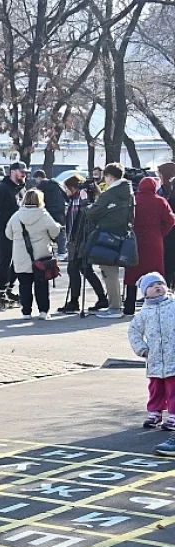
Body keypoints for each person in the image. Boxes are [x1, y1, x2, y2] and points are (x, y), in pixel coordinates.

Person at [84, 162, 135, 319]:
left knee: (109, 272)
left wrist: (87, 206)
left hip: (107, 236)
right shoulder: (129, 192)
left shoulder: (110, 194)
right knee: (113, 272)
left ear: (110, 177)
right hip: (123, 235)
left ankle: (114, 307)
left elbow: (93, 213)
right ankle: (116, 305)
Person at [129, 274, 175, 438]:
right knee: (155, 388)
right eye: (152, 286)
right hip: (155, 359)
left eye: (160, 284)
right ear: (145, 293)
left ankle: (173, 415)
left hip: (173, 358)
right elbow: (133, 331)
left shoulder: (173, 305)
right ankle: (155, 412)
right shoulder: (144, 313)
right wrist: (142, 349)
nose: (157, 287)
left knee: (173, 388)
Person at [7, 188, 62, 320]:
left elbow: (8, 235)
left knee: (24, 285)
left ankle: (26, 312)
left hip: (21, 257)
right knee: (42, 285)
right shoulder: (44, 215)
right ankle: (43, 311)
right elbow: (55, 232)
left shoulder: (16, 216)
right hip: (41, 258)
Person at [58, 175, 107, 314]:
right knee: (82, 269)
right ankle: (100, 297)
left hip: (82, 239)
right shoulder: (73, 199)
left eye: (67, 188)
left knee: (77, 268)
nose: (66, 191)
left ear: (73, 188)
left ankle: (75, 301)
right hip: (74, 239)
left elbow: (88, 216)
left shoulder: (82, 199)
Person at [128, 177, 175, 317]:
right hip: (154, 239)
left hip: (135, 239)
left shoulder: (134, 200)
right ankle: (160, 305)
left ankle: (129, 306)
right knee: (155, 273)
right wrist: (161, 233)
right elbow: (171, 220)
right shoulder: (160, 201)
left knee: (132, 273)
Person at [0, 161, 27, 310]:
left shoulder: (22, 189)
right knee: (5, 260)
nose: (24, 174)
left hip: (20, 232)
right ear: (13, 172)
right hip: (4, 231)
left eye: (25, 172)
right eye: (21, 171)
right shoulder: (2, 189)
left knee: (18, 261)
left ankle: (10, 288)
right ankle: (0, 291)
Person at [34, 169, 68, 256]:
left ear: (39, 177)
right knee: (61, 231)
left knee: (46, 232)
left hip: (49, 211)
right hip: (60, 210)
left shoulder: (41, 186)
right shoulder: (55, 183)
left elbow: (38, 199)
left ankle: (48, 251)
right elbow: (65, 195)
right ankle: (61, 251)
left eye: (36, 179)